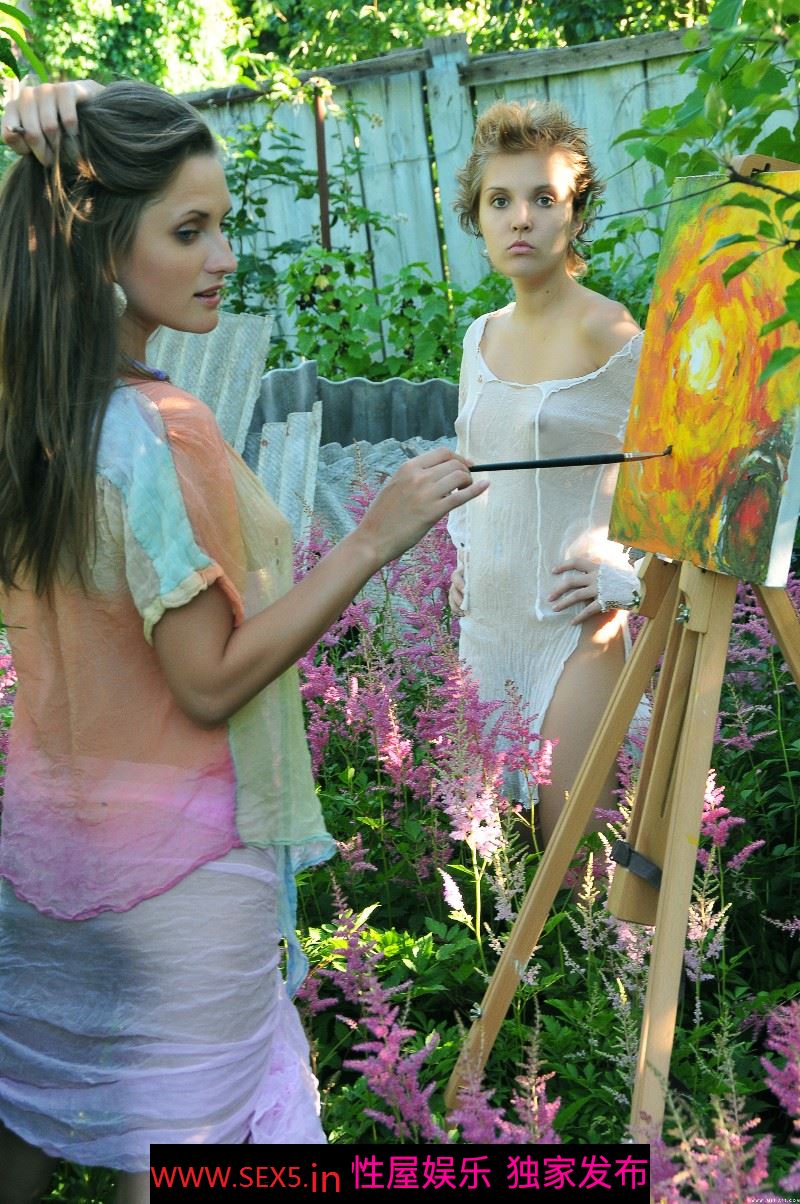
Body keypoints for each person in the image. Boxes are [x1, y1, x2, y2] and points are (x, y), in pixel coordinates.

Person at [0, 80, 486, 1204]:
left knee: (23, 1126)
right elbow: (209, 683)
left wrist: (38, 128)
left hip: (39, 856)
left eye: (222, 225)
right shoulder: (157, 428)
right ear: (97, 245)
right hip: (180, 870)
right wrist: (373, 539)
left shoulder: (28, 411)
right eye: (189, 230)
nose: (224, 257)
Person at [447, 100, 644, 845]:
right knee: (491, 861)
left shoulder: (611, 332)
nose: (520, 218)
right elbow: (475, 470)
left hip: (575, 629)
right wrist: (464, 557)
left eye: (543, 198)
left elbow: (683, 473)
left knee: (576, 858)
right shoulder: (479, 339)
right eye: (500, 201)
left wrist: (630, 575)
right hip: (486, 627)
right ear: (478, 217)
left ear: (575, 214)